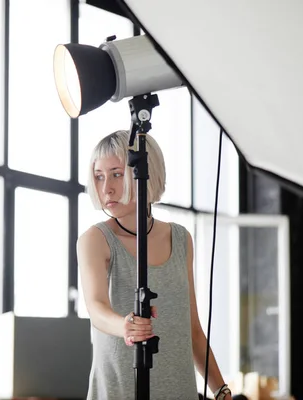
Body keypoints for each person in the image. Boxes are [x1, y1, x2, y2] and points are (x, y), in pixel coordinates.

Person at [77, 130, 233, 400]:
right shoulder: (96, 239)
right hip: (121, 391)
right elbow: (96, 308)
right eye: (99, 176)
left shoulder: (181, 238)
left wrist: (221, 390)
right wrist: (125, 325)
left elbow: (192, 328)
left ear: (145, 173)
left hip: (179, 391)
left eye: (116, 173)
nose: (106, 188)